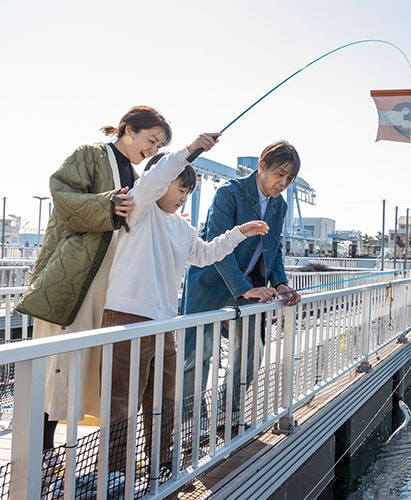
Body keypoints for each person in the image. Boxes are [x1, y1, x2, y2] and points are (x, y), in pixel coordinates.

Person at [101, 140, 270, 473]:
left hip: (164, 321)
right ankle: (116, 470)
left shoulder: (182, 227)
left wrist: (239, 233)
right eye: (181, 188)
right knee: (122, 399)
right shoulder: (141, 209)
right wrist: (190, 150)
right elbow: (154, 178)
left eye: (188, 191)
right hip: (126, 316)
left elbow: (204, 255)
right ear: (163, 182)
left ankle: (161, 462)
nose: (183, 197)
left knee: (164, 397)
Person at [15, 105, 171, 458]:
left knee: (86, 364)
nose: (154, 149)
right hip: (77, 276)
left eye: (160, 145)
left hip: (109, 280)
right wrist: (108, 205)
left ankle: (67, 451)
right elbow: (62, 195)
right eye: (152, 139)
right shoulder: (90, 155)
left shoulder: (132, 173)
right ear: (128, 129)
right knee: (61, 362)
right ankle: (41, 449)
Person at [180, 140, 302, 412]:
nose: (283, 182)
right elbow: (216, 244)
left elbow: (275, 248)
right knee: (196, 356)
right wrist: (243, 288)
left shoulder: (278, 205)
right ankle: (189, 424)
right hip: (210, 284)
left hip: (250, 288)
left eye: (290, 177)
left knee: (250, 352)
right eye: (279, 174)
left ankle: (228, 413)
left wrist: (280, 282)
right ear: (262, 166)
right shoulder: (229, 193)